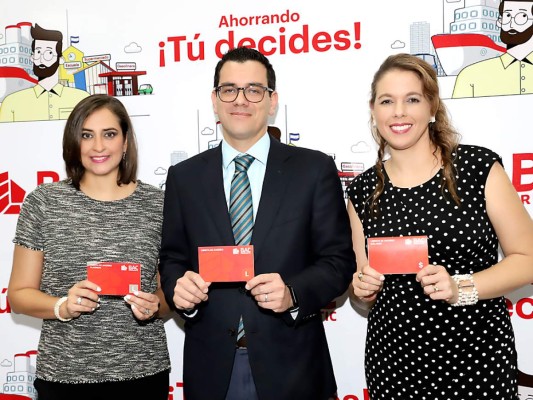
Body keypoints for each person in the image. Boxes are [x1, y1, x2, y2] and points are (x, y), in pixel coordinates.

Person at [159, 46, 355, 400]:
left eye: (254, 90)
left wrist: (292, 293)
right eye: (229, 89)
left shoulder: (314, 169)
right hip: (213, 367)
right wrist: (181, 291)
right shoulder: (184, 178)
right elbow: (172, 258)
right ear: (215, 101)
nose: (241, 100)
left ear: (271, 99)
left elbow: (339, 262)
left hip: (293, 364)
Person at [347, 53, 533, 399]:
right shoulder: (361, 191)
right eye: (387, 101)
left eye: (412, 99)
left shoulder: (477, 167)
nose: (399, 111)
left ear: (432, 107)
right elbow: (362, 294)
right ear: (374, 110)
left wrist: (461, 286)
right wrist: (363, 289)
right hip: (394, 366)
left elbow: (528, 257)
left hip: (477, 363)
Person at [7, 94, 171, 400]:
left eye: (109, 134)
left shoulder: (158, 205)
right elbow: (18, 296)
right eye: (86, 135)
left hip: (144, 374)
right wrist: (63, 306)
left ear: (125, 142)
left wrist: (154, 307)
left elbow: (170, 295)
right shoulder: (44, 203)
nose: (98, 146)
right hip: (64, 378)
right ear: (73, 143)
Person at [0, 23, 89, 122]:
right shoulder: (11, 103)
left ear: (60, 59)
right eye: (38, 52)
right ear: (32, 58)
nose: (41, 59)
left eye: (49, 53)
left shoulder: (81, 99)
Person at [452, 0, 533, 98]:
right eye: (507, 16)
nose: (511, 24)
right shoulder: (469, 75)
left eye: (522, 16)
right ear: (499, 21)